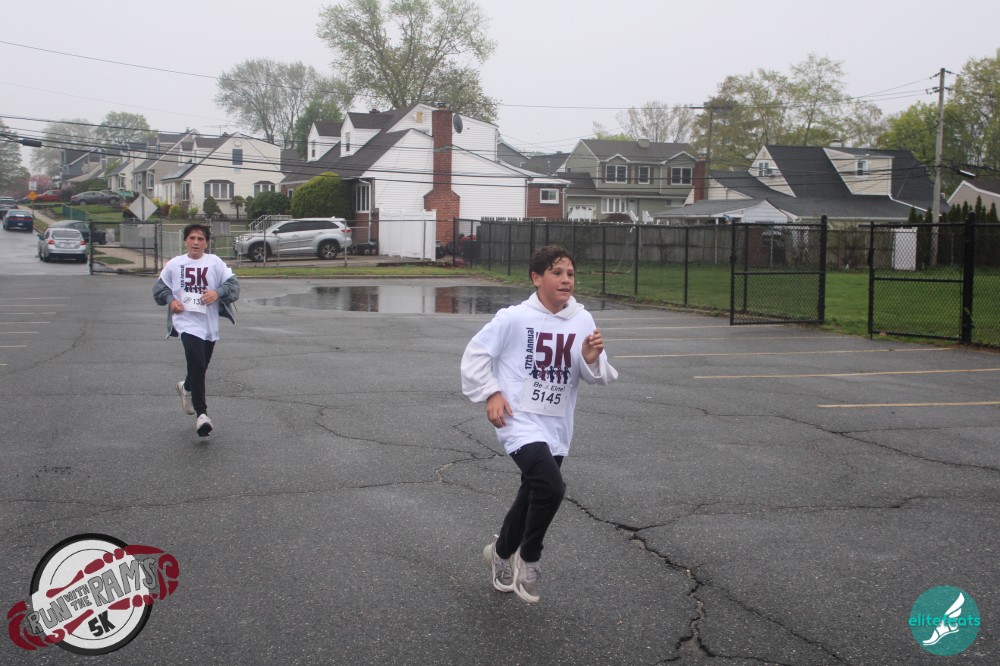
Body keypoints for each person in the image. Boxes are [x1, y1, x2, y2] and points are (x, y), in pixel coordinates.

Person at [461, 245, 618, 603]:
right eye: (557, 272)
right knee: (551, 487)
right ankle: (529, 558)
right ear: (536, 278)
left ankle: (500, 552)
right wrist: (491, 392)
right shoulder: (514, 318)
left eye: (570, 274)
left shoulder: (582, 320)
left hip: (557, 423)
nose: (566, 280)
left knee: (532, 492)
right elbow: (476, 354)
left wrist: (590, 359)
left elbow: (597, 373)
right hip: (517, 419)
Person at [153, 223, 239, 436]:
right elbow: (159, 289)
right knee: (197, 363)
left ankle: (186, 387)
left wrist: (217, 293)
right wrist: (171, 300)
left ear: (206, 243)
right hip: (186, 322)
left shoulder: (215, 263)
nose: (196, 242)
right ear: (185, 241)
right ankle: (202, 415)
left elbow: (233, 287)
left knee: (200, 366)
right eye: (192, 238)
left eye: (200, 239)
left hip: (209, 324)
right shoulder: (175, 264)